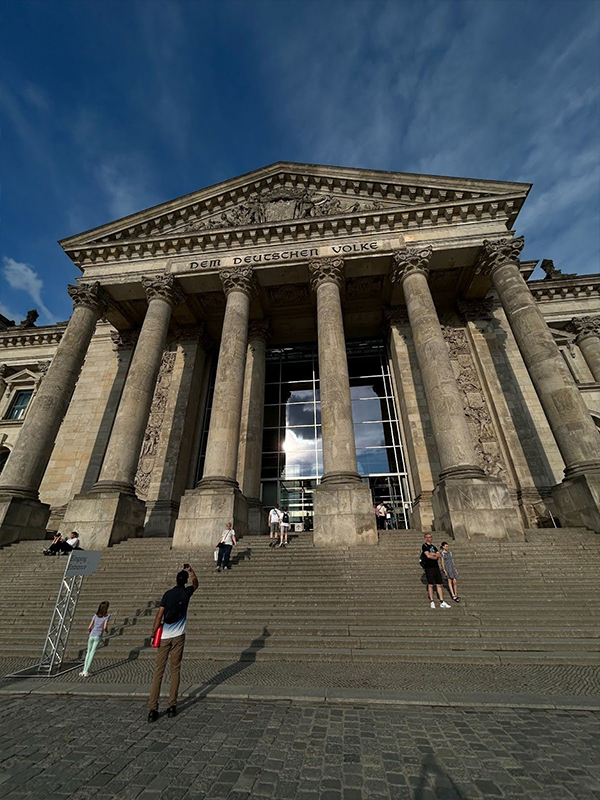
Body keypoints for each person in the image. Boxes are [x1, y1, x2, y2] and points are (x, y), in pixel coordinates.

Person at [148, 564, 198, 722]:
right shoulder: (186, 593)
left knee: (158, 672)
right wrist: (191, 571)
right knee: (175, 670)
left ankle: (152, 709)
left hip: (165, 636)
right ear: (185, 582)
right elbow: (196, 584)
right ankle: (171, 706)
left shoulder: (168, 594)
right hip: (179, 636)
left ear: (176, 580)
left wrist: (152, 633)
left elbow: (158, 616)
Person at [79, 601, 110, 677]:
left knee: (88, 652)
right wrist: (106, 631)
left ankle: (84, 670)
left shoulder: (95, 616)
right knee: (92, 652)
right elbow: (105, 627)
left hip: (92, 635)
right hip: (98, 635)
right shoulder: (107, 616)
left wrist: (90, 632)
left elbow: (89, 627)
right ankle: (87, 671)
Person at [420, 533, 451, 609]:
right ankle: (432, 601)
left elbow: (439, 555)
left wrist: (433, 555)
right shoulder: (425, 546)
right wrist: (434, 556)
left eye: (431, 537)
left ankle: (442, 601)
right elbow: (428, 556)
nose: (430, 538)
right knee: (430, 584)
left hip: (436, 567)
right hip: (429, 567)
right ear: (425, 538)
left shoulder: (434, 547)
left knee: (439, 584)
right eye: (429, 537)